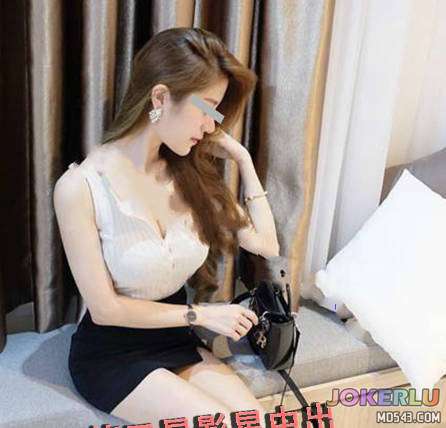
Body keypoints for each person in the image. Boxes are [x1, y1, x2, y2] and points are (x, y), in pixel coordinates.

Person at [53, 27, 280, 426]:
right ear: (159, 97)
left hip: (175, 339)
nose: (210, 126)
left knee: (256, 421)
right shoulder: (81, 187)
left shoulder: (191, 174)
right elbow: (105, 310)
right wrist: (201, 315)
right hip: (112, 354)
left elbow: (266, 245)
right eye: (207, 108)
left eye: (216, 113)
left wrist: (243, 159)